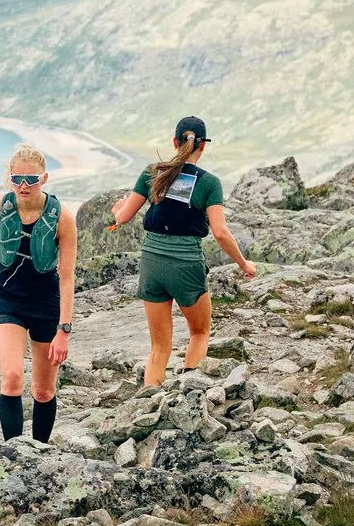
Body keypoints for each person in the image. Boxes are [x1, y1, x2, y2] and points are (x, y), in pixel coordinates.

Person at [107, 115, 257, 388]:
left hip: (152, 261)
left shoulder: (153, 172)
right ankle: (190, 391)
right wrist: (244, 264)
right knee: (199, 332)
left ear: (175, 142)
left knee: (159, 347)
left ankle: (149, 398)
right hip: (186, 263)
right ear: (203, 146)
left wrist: (117, 211)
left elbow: (124, 217)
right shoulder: (209, 183)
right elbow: (221, 232)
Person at [0, 144, 77, 442]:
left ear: (44, 178)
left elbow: (67, 278)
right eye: (17, 179)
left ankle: (38, 453)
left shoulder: (62, 218)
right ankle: (13, 453)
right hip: (8, 300)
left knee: (43, 390)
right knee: (13, 378)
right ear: (10, 178)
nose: (24, 186)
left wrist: (63, 330)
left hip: (46, 304)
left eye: (31, 179)